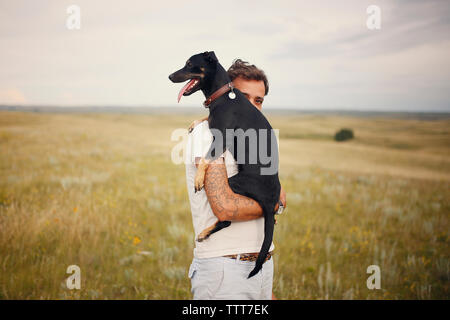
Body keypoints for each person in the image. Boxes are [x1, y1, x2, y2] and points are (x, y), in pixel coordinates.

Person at [185, 59, 286, 300]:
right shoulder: (206, 134)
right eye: (243, 96)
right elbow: (226, 207)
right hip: (225, 271)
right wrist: (272, 205)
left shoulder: (260, 137)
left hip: (261, 264)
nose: (250, 105)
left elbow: (274, 191)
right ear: (227, 92)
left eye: (258, 100)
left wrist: (265, 287)